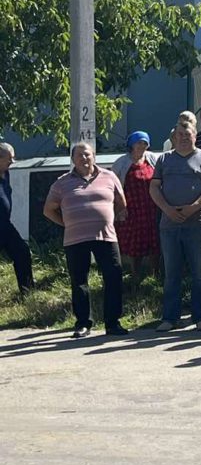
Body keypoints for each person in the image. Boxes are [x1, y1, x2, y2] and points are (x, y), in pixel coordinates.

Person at [43, 143, 127, 338]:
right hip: (75, 238)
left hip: (105, 236)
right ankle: (83, 323)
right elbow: (48, 209)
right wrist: (67, 223)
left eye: (87, 154)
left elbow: (121, 202)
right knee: (79, 281)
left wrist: (107, 218)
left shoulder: (109, 176)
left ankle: (113, 323)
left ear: (94, 156)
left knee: (113, 277)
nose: (84, 158)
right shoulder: (61, 182)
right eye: (79, 155)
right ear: (73, 160)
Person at [150, 121, 201, 332]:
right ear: (174, 137)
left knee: (200, 273)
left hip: (198, 223)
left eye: (188, 134)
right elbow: (154, 187)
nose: (184, 138)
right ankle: (170, 318)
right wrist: (167, 209)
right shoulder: (164, 159)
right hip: (169, 225)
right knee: (172, 274)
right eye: (180, 134)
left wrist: (192, 208)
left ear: (195, 136)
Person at [111, 131, 160, 289]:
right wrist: (118, 207)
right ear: (131, 144)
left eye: (145, 143)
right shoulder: (121, 163)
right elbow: (113, 186)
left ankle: (155, 272)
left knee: (154, 241)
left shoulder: (153, 159)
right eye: (139, 142)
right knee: (135, 242)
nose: (142, 146)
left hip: (151, 208)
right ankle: (135, 273)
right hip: (132, 209)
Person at [0, 143, 34, 297]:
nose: (12, 162)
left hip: (6, 225)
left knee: (22, 253)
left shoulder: (5, 174)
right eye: (9, 159)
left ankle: (27, 293)